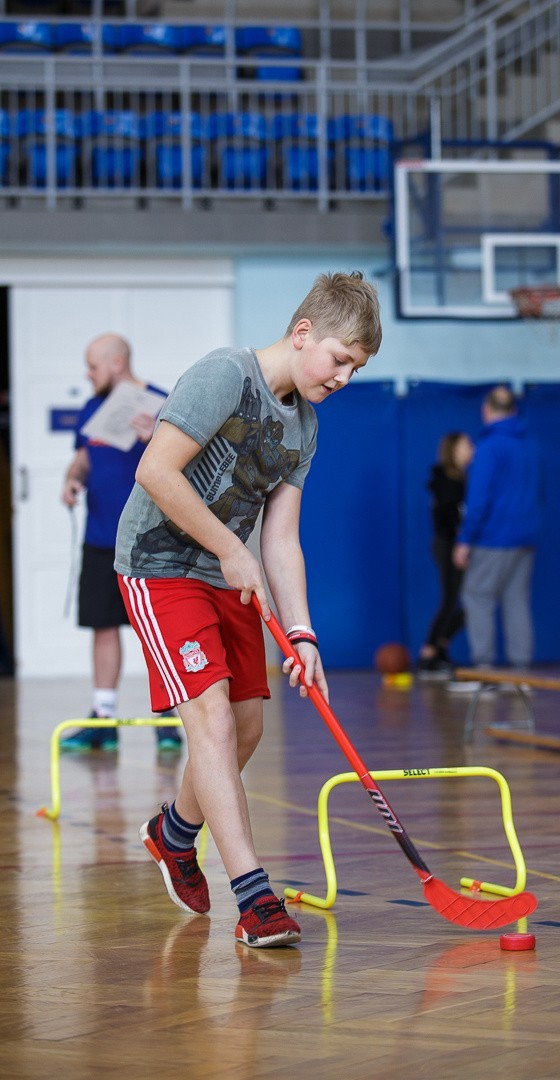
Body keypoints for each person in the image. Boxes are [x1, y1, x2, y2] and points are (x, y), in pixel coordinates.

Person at [114, 271, 382, 949]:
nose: (345, 377)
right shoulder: (225, 375)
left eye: (358, 368)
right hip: (160, 563)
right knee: (208, 718)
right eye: (341, 359)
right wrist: (232, 550)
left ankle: (174, 833)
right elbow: (155, 472)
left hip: (227, 571)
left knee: (247, 725)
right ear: (302, 334)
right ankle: (254, 897)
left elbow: (283, 538)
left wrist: (303, 633)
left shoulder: (306, 427)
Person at [60, 333, 182, 752]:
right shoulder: (93, 407)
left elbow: (184, 464)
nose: (87, 374)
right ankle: (104, 718)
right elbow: (83, 457)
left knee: (155, 630)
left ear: (114, 364)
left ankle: (166, 718)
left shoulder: (162, 405)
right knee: (102, 625)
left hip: (148, 540)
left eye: (92, 366)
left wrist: (152, 437)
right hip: (99, 539)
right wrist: (71, 480)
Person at [446, 386, 542, 694]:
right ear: (513, 410)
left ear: (487, 410)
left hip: (492, 537)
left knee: (477, 596)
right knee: (517, 602)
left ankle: (485, 673)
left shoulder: (489, 447)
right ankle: (521, 676)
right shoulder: (532, 445)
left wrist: (465, 539)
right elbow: (540, 493)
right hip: (525, 537)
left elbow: (479, 498)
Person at [417, 432, 474, 679]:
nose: (472, 448)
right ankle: (429, 654)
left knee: (468, 603)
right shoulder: (446, 481)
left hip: (454, 544)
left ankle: (440, 647)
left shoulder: (461, 479)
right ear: (454, 450)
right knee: (451, 600)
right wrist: (458, 539)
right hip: (448, 545)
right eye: (466, 445)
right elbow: (445, 516)